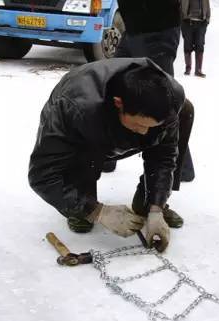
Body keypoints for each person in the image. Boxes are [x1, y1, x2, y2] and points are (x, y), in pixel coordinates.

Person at [28, 58, 192, 252]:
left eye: (151, 126)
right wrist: (96, 211)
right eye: (139, 124)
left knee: (186, 111)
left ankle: (147, 203)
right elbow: (42, 175)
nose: (144, 133)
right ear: (119, 103)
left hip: (115, 120)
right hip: (87, 127)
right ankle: (81, 204)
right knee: (86, 160)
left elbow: (164, 156)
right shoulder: (73, 107)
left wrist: (156, 205)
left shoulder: (171, 100)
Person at [104, 0, 196, 185]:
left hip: (158, 29)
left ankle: (178, 169)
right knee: (111, 84)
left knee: (161, 99)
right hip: (133, 28)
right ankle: (106, 157)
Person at [181, 0, 211, 78]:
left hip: (201, 23)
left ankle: (198, 70)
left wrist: (207, 20)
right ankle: (188, 68)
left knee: (200, 46)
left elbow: (208, 7)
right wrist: (182, 20)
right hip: (188, 22)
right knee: (187, 46)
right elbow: (180, 7)